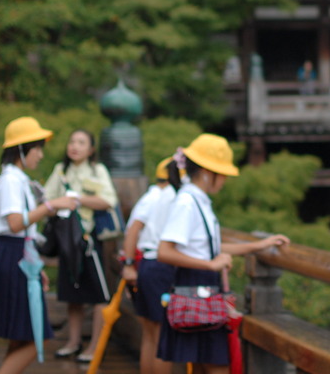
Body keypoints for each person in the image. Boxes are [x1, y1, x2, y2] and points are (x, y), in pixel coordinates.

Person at [157, 134, 290, 373]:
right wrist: (210, 266)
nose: (225, 180)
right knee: (218, 365)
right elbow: (164, 252)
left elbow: (208, 248)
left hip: (199, 289)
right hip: (199, 288)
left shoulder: (198, 201)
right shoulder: (187, 203)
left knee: (204, 364)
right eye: (224, 174)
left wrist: (257, 246)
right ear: (208, 172)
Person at [0, 116, 81, 374]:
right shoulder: (11, 181)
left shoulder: (16, 179)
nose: (41, 155)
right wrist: (52, 205)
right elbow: (15, 223)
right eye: (37, 148)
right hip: (13, 257)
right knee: (36, 337)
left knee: (21, 336)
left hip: (18, 257)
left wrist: (37, 266)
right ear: (22, 149)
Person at [43, 128, 119, 363]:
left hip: (88, 239)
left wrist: (77, 200)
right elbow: (47, 199)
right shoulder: (61, 170)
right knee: (72, 294)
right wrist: (62, 203)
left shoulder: (97, 171)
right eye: (72, 141)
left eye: (81, 142)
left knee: (99, 295)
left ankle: (95, 346)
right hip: (67, 240)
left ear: (91, 149)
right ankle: (73, 342)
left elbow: (108, 200)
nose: (74, 146)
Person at [122, 157, 180, 374]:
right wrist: (128, 264)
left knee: (149, 335)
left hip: (147, 265)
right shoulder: (169, 196)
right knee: (163, 338)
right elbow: (133, 229)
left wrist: (130, 264)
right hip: (161, 267)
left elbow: (133, 229)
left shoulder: (153, 195)